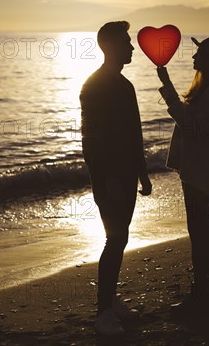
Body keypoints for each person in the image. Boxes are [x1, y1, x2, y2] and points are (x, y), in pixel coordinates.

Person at [80, 21, 152, 336]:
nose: (132, 47)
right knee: (114, 239)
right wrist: (106, 179)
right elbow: (91, 141)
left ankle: (110, 299)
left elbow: (135, 133)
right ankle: (103, 313)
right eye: (126, 42)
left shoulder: (125, 85)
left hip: (126, 175)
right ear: (111, 46)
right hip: (109, 177)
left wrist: (143, 173)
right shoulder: (93, 86)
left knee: (120, 238)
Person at [156, 35, 209, 316]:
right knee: (200, 229)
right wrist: (168, 85)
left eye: (198, 53)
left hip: (201, 170)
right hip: (199, 168)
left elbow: (191, 127)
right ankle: (206, 290)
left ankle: (206, 292)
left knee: (200, 230)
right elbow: (192, 122)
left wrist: (167, 89)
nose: (193, 57)